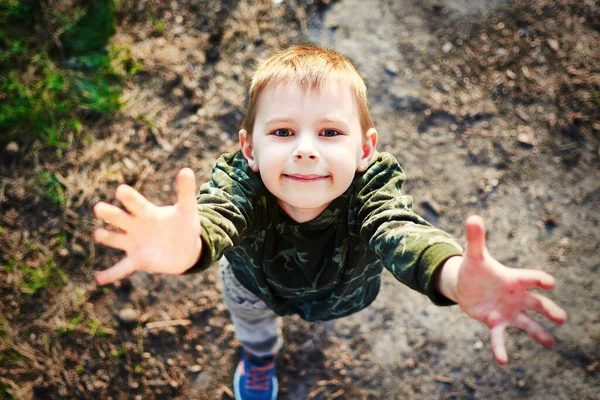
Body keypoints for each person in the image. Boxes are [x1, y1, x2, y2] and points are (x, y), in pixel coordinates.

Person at [92, 45, 568, 400]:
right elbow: (218, 214)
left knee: (324, 316)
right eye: (282, 132)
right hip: (251, 287)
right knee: (253, 325)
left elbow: (399, 229)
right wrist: (191, 244)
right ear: (250, 149)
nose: (304, 148)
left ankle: (309, 323)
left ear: (364, 149)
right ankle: (260, 358)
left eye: (329, 132)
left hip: (341, 291)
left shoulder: (370, 189)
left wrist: (451, 274)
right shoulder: (242, 183)